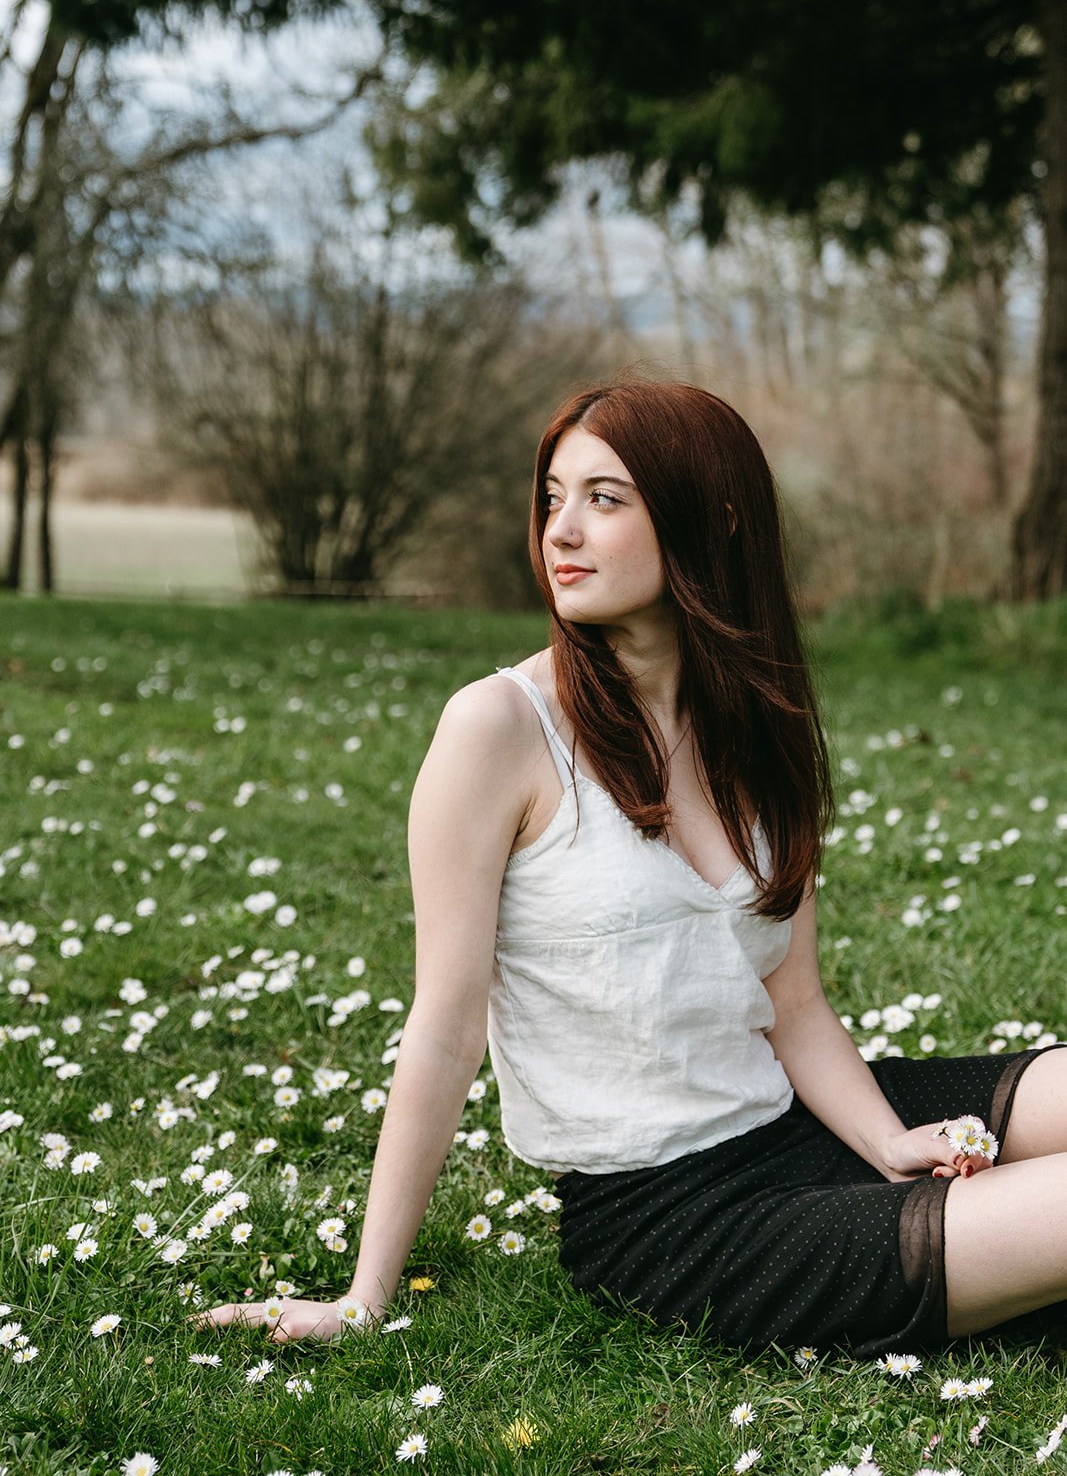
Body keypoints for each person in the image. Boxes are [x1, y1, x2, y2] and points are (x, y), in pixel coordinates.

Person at [196, 379, 1067, 1356]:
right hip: (679, 1219)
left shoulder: (756, 724)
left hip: (798, 1122)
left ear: (713, 519)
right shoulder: (499, 729)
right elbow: (446, 1026)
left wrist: (886, 1143)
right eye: (552, 497)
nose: (560, 531)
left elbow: (793, 1001)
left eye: (604, 499)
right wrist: (364, 1294)